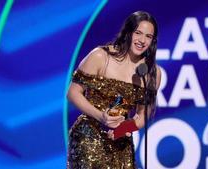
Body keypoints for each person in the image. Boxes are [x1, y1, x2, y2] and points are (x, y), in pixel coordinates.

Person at [66, 11, 161, 169]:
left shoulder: (152, 73)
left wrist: (124, 128)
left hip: (120, 140)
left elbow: (144, 114)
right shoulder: (100, 56)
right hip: (89, 134)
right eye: (138, 33)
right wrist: (100, 116)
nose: (142, 40)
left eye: (148, 36)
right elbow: (73, 92)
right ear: (128, 33)